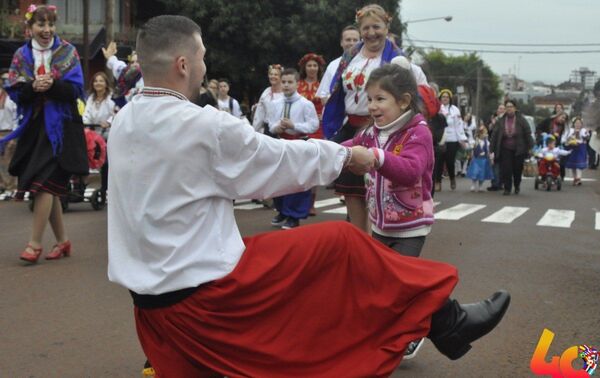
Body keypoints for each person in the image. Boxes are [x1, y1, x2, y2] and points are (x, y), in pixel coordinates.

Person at [108, 15, 510, 377]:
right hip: (207, 299)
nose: (204, 66)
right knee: (343, 243)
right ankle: (448, 322)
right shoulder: (200, 124)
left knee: (302, 260)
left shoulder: (123, 120)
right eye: (202, 57)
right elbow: (274, 160)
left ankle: (444, 323)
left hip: (150, 309)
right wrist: (347, 155)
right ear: (183, 65)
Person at [0, 4, 88, 263]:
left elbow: (76, 90)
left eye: (50, 24)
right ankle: (63, 241)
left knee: (44, 183)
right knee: (45, 185)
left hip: (61, 128)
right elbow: (15, 89)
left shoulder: (68, 52)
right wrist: (32, 87)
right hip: (34, 127)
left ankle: (34, 243)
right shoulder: (21, 55)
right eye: (41, 24)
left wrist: (52, 85)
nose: (47, 30)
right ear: (30, 28)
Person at [323, 4, 403, 232]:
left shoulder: (396, 58)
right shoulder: (350, 56)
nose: (371, 33)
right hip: (352, 128)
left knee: (378, 188)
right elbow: (337, 91)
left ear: (386, 27)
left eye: (376, 27)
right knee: (351, 189)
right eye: (366, 28)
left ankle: (379, 242)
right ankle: (358, 240)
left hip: (381, 130)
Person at [266, 68, 319, 229]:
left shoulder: (305, 104)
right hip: (280, 143)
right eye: (284, 82)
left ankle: (294, 215)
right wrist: (278, 128)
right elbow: (271, 123)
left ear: (297, 84)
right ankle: (282, 210)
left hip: (298, 144)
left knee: (296, 180)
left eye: (290, 82)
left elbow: (313, 124)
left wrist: (294, 125)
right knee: (279, 179)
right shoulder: (275, 103)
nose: (287, 85)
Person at [297, 53, 326, 215]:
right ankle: (299, 202)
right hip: (300, 127)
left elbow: (329, 105)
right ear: (304, 68)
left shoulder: (323, 85)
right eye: (309, 65)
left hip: (319, 128)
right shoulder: (297, 85)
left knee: (314, 165)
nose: (312, 68)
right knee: (300, 163)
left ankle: (311, 203)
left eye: (315, 65)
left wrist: (325, 115)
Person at [490, 99, 534, 195]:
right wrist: (491, 149)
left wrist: (531, 147)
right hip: (505, 148)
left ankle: (517, 185)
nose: (509, 109)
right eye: (507, 107)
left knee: (517, 170)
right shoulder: (501, 120)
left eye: (511, 107)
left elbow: (528, 133)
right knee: (506, 169)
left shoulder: (521, 119)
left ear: (515, 108)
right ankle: (507, 188)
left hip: (519, 148)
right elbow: (494, 135)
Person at [83, 71, 115, 198]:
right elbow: (87, 114)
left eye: (101, 81)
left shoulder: (111, 98)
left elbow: (115, 112)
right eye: (96, 81)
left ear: (106, 84)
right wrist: (85, 123)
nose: (98, 83)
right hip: (94, 133)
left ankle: (105, 187)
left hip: (108, 134)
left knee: (106, 162)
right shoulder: (90, 98)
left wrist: (108, 122)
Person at [316, 25, 360, 103]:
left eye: (355, 40)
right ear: (341, 43)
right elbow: (323, 95)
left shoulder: (367, 62)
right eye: (348, 40)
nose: (352, 43)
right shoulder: (333, 65)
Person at [434, 88, 467, 191]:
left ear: (450, 98)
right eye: (443, 97)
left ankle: (452, 178)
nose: (445, 98)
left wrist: (462, 139)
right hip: (440, 139)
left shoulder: (455, 110)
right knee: (438, 161)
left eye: (447, 97)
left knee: (450, 162)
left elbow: (459, 125)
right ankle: (438, 182)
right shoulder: (436, 109)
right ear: (440, 98)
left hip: (452, 139)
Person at [102, 41, 144, 107]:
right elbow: (116, 65)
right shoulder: (125, 76)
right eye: (132, 62)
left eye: (138, 62)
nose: (135, 64)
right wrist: (110, 57)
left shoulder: (149, 78)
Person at [251, 64, 284, 136]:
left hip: (283, 130)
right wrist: (255, 131)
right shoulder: (266, 92)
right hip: (268, 130)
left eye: (276, 74)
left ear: (281, 77)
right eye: (271, 74)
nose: (273, 76)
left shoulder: (286, 93)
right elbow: (260, 112)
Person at [0, 82, 18, 197]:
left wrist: (14, 136)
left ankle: (12, 188)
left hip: (9, 132)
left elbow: (16, 116)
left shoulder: (10, 98)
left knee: (9, 161)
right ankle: (3, 186)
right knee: (1, 162)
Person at [467, 123, 494, 192]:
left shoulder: (487, 142)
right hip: (476, 159)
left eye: (486, 134)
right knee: (475, 172)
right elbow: (472, 150)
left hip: (484, 160)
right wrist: (471, 156)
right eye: (484, 133)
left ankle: (480, 186)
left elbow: (488, 151)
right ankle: (473, 185)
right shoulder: (475, 141)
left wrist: (490, 158)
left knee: (482, 173)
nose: (485, 135)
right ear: (480, 134)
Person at [562, 116, 589, 185]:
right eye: (576, 123)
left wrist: (585, 135)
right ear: (573, 124)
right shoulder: (570, 130)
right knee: (573, 165)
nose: (578, 124)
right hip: (572, 147)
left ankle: (578, 178)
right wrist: (571, 137)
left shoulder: (583, 130)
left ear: (581, 124)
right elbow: (564, 139)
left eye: (579, 123)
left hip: (580, 148)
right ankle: (575, 178)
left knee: (579, 164)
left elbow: (587, 138)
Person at [487, 104, 505, 191]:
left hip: (503, 145)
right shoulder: (493, 119)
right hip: (493, 144)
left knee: (501, 165)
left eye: (503, 109)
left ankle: (499, 183)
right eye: (499, 108)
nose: (501, 110)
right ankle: (495, 183)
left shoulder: (506, 120)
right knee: (494, 164)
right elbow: (488, 130)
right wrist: (492, 124)